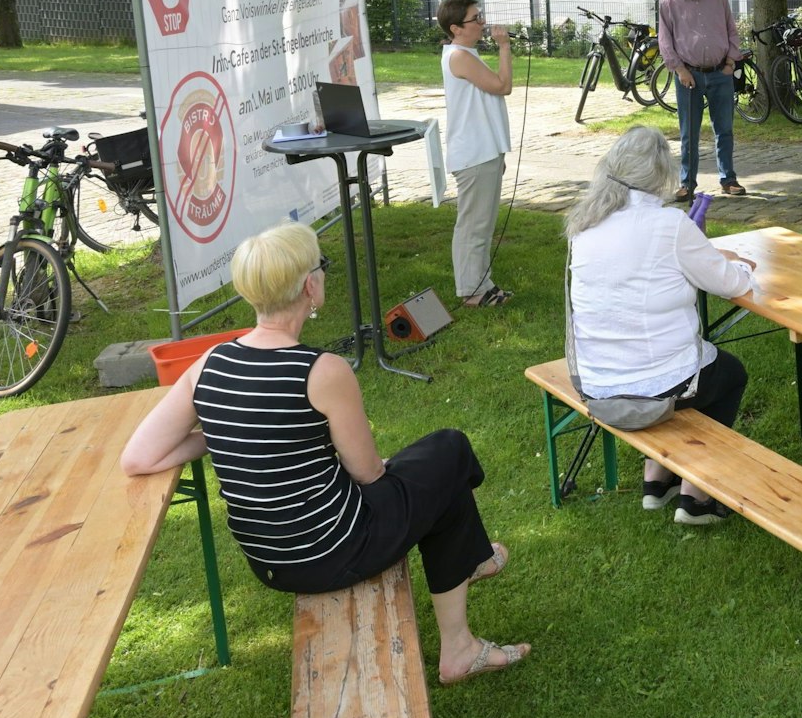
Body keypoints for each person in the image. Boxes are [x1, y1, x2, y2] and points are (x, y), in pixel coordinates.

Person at [121, 222, 529, 683]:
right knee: (449, 450)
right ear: (310, 287)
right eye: (322, 268)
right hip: (333, 549)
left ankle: (470, 567)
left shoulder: (210, 363)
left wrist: (216, 431)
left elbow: (138, 456)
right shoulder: (322, 371)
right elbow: (369, 474)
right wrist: (220, 432)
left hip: (269, 559)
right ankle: (459, 636)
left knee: (437, 478)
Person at [568, 129, 756, 525]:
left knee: (678, 369)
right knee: (729, 375)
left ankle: (657, 477)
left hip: (596, 382)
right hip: (653, 388)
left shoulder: (585, 224)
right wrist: (740, 263)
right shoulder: (668, 223)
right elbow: (732, 284)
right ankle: (697, 493)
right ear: (661, 174)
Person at [437, 0, 514, 308]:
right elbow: (501, 86)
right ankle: (471, 292)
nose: (482, 22)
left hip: (483, 148)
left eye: (480, 16)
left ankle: (482, 284)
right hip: (474, 151)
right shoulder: (459, 56)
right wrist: (505, 47)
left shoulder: (466, 52)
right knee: (474, 225)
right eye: (475, 19)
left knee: (482, 223)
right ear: (456, 28)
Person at [658, 0, 745, 200]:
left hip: (720, 73)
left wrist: (730, 62)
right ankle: (687, 183)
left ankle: (728, 179)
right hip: (688, 75)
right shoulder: (669, 3)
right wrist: (680, 70)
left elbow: (732, 31)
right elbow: (665, 42)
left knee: (725, 129)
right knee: (689, 133)